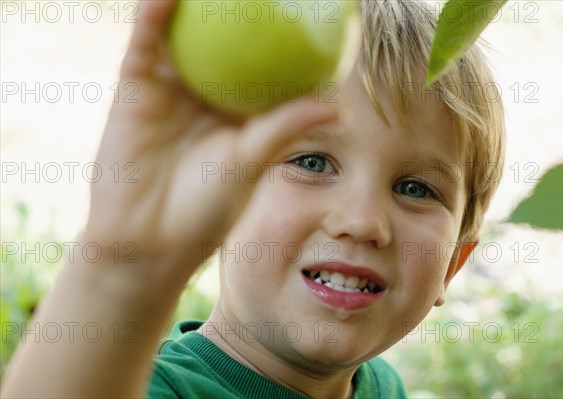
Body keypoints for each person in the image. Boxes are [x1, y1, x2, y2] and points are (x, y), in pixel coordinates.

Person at [1, 0, 505, 397]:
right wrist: (124, 271)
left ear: (454, 264)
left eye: (415, 189)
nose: (363, 220)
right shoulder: (154, 388)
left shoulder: (383, 387)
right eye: (312, 163)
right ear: (226, 194)